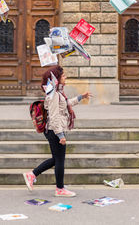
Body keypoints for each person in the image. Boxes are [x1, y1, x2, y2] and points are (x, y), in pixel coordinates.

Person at [23, 66, 91, 197]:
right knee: (59, 160)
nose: (65, 77)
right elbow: (54, 116)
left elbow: (66, 104)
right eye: (63, 75)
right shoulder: (54, 95)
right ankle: (59, 189)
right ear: (57, 79)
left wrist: (81, 97)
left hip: (54, 130)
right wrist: (60, 135)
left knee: (57, 159)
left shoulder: (58, 93)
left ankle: (32, 175)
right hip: (54, 130)